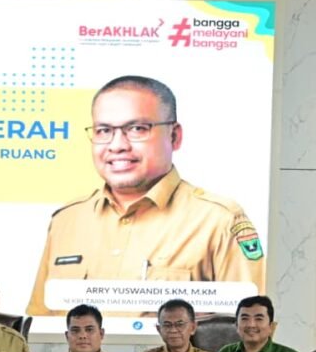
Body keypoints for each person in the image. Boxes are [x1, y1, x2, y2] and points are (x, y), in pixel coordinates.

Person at [26, 75, 264, 316]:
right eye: (104, 130)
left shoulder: (219, 221)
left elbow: (253, 328)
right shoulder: (67, 220)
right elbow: (37, 325)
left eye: (137, 129)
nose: (117, 145)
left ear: (174, 136)